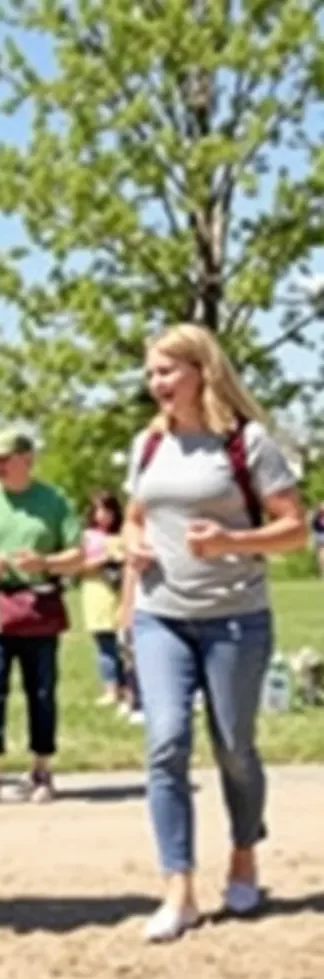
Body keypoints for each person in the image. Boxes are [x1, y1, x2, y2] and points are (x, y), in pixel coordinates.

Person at [121, 323, 307, 942]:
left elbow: (296, 530)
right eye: (151, 374)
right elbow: (133, 517)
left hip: (234, 618)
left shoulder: (247, 444)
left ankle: (244, 854)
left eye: (167, 371)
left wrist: (232, 541)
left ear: (202, 370)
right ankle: (179, 888)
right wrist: (132, 546)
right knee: (166, 742)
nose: (157, 384)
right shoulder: (147, 445)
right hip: (161, 617)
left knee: (234, 748)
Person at [0, 429, 83, 808]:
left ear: (27, 458)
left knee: (41, 689)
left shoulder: (53, 500)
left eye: (5, 458)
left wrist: (45, 563)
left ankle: (41, 766)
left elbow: (78, 554)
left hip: (37, 607)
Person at [80, 490, 141, 721]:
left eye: (108, 510)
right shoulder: (87, 537)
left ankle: (129, 689)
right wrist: (102, 559)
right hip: (96, 595)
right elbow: (78, 566)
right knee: (105, 647)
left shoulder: (125, 534)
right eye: (98, 511)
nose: (103, 516)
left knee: (126, 647)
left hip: (121, 596)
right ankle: (111, 689)